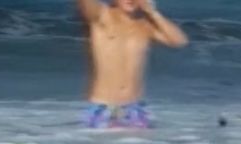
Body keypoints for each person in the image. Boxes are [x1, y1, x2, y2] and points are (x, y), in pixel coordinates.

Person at [77, 0, 188, 128]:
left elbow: (179, 41)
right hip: (104, 108)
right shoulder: (102, 16)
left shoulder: (145, 25)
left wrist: (153, 12)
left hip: (135, 109)